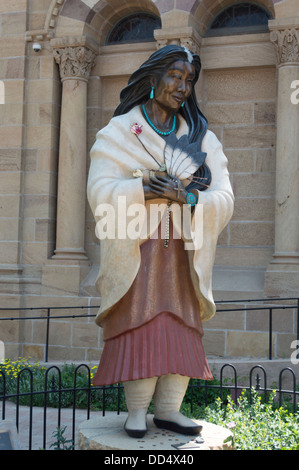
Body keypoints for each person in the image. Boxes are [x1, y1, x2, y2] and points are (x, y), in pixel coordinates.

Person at [87, 45, 234, 438]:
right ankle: (136, 412)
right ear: (153, 78)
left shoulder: (201, 138)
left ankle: (169, 410)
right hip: (141, 252)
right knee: (141, 323)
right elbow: (98, 189)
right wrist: (142, 188)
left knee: (182, 326)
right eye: (175, 76)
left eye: (189, 80)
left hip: (183, 254)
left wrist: (186, 198)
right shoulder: (119, 132)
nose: (182, 86)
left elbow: (224, 197)